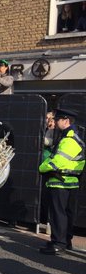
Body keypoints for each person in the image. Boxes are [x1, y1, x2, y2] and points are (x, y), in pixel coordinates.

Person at [38, 108, 85, 255]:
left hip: (61, 181)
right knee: (67, 213)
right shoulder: (72, 137)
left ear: (66, 121)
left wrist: (42, 167)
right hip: (69, 181)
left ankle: (58, 243)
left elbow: (56, 161)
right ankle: (65, 241)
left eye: (57, 119)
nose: (55, 122)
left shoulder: (69, 140)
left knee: (59, 213)